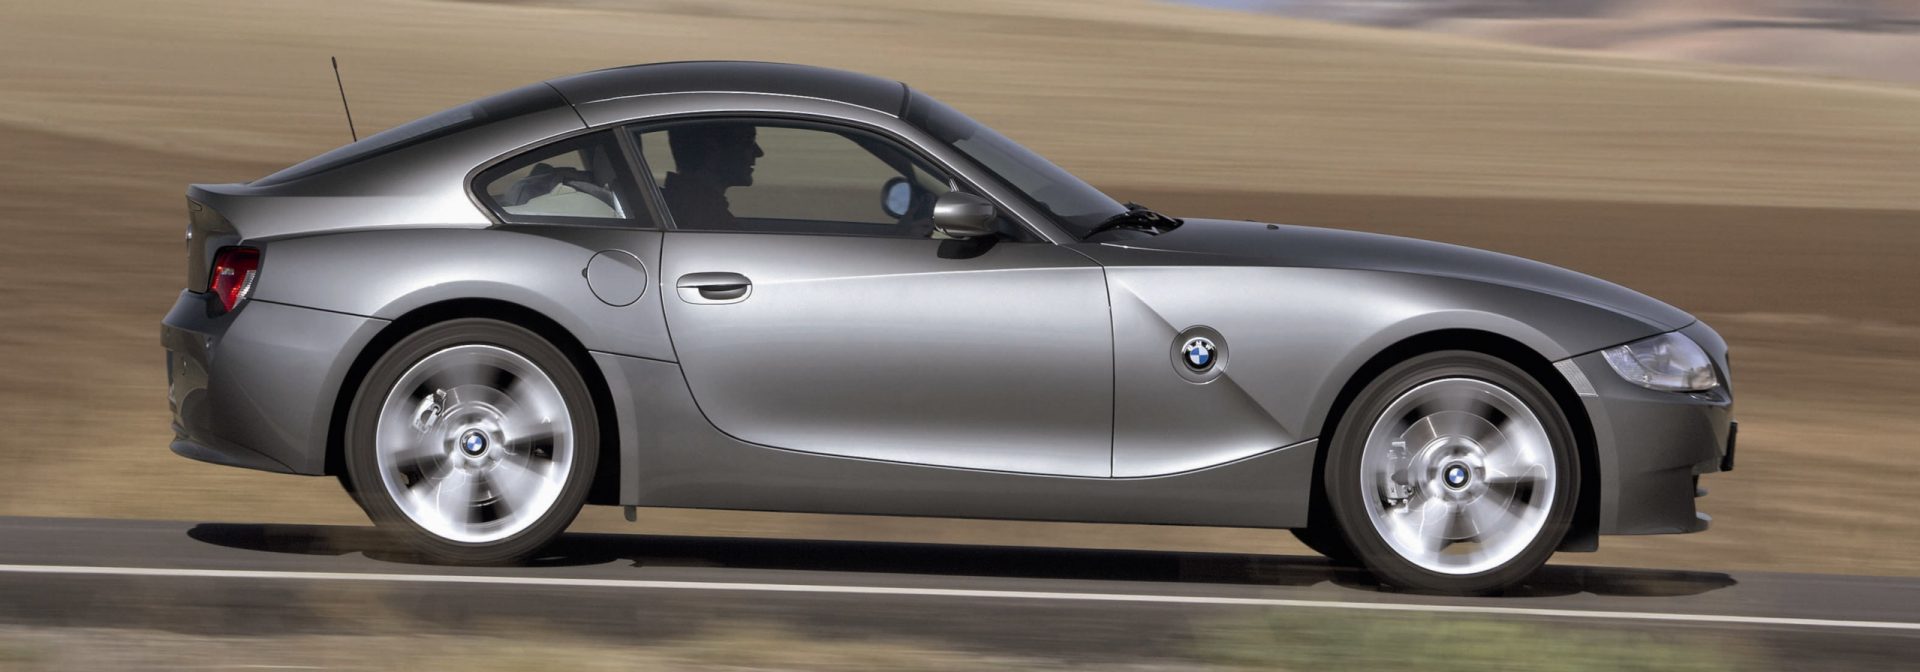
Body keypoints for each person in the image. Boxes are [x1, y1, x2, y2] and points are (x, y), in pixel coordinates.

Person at [660, 123, 763, 230]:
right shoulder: (709, 222)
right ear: (713, 148)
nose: (759, 152)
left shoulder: (680, 207)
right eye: (748, 142)